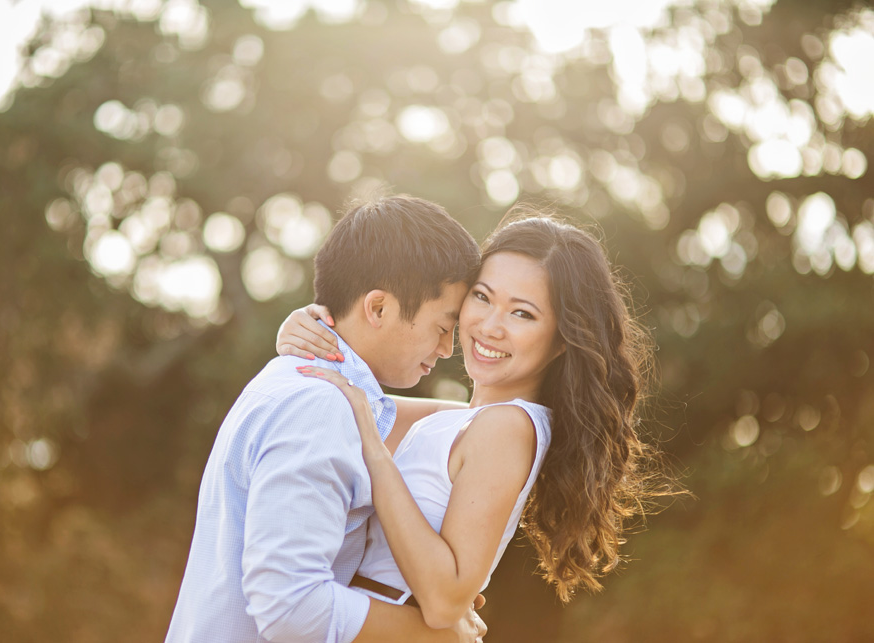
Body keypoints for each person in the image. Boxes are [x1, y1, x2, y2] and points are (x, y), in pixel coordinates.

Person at [277, 211, 671, 625]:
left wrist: (376, 457)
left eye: (522, 314)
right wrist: (309, 326)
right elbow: (353, 399)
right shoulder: (462, 421)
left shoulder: (507, 429)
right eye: (482, 296)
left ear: (561, 340)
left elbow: (446, 599)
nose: (489, 326)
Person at [164, 195, 486, 643]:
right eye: (442, 325)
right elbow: (290, 606)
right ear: (378, 308)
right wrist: (439, 636)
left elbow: (472, 422)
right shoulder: (318, 404)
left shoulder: (318, 390)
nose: (447, 348)